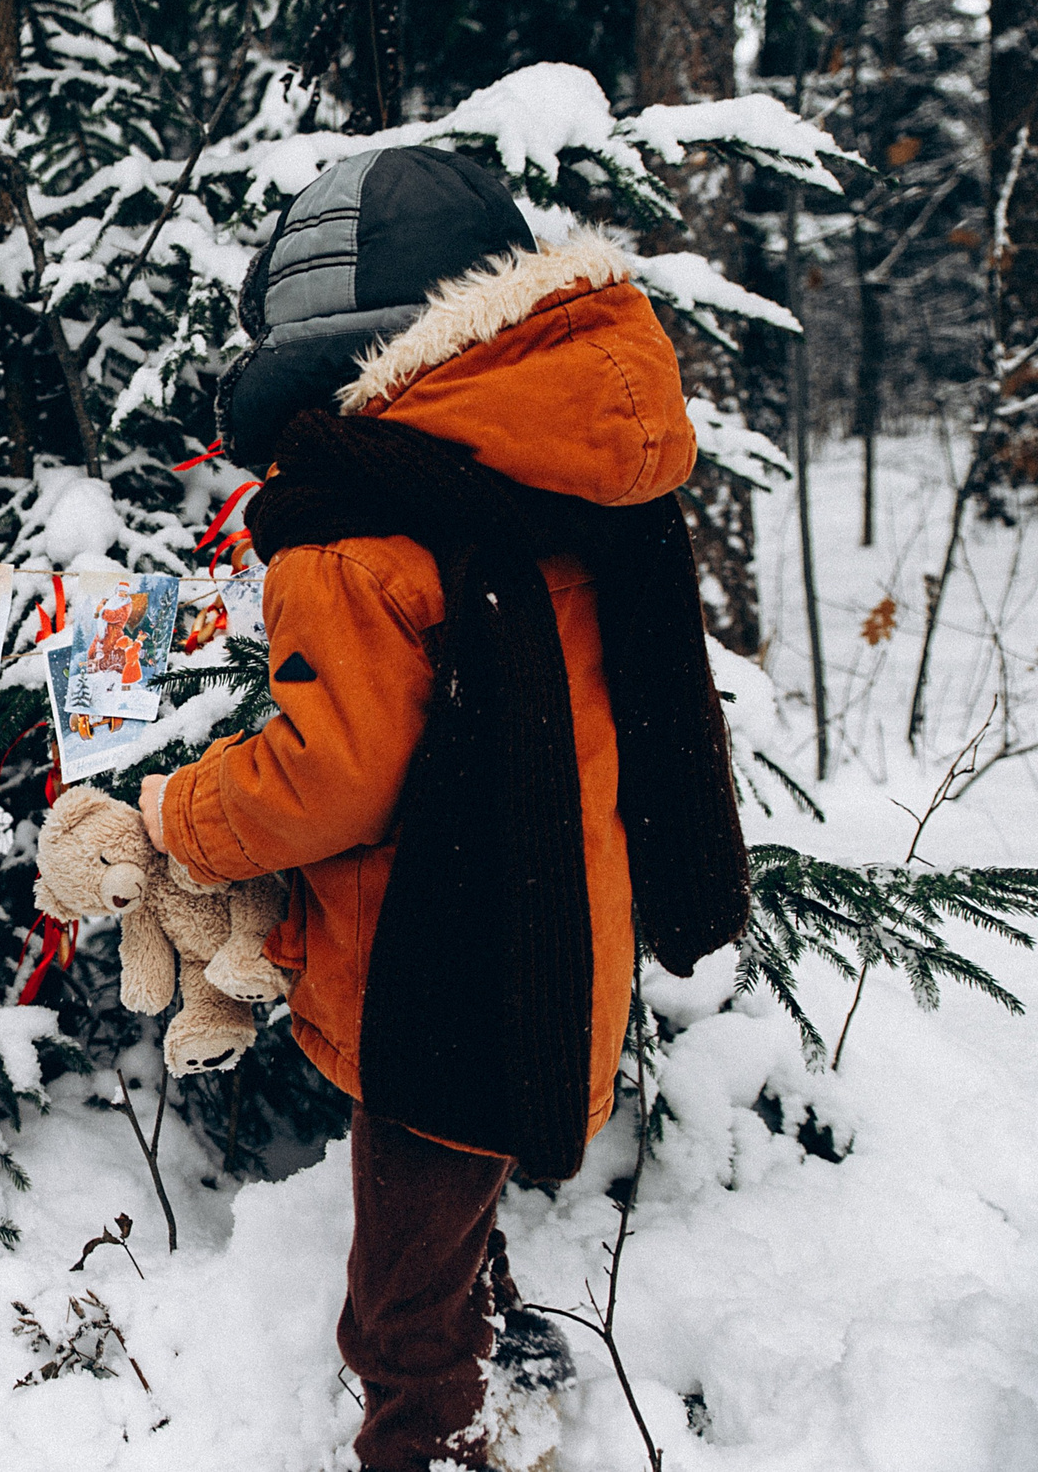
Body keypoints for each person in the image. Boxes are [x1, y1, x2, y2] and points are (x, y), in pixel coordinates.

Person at [136, 146, 750, 1472]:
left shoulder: (363, 529)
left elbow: (330, 775)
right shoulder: (560, 475)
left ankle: (430, 1436)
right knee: (456, 1201)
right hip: (559, 932)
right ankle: (501, 1353)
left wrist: (184, 814)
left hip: (437, 970)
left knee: (399, 1293)